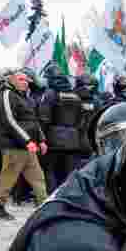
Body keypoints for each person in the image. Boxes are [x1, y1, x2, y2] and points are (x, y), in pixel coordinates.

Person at [0, 69, 49, 220]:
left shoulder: (24, 97)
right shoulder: (7, 94)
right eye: (21, 80)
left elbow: (33, 120)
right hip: (13, 146)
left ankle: (44, 207)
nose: (25, 83)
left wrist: (41, 139)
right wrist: (27, 141)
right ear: (12, 80)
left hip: (28, 146)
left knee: (38, 177)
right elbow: (9, 121)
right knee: (8, 177)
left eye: (26, 80)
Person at [42, 65, 81, 193]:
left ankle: (52, 197)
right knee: (68, 172)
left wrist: (41, 137)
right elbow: (79, 118)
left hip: (53, 139)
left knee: (50, 170)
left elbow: (44, 118)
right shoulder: (75, 94)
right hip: (73, 140)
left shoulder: (50, 93)